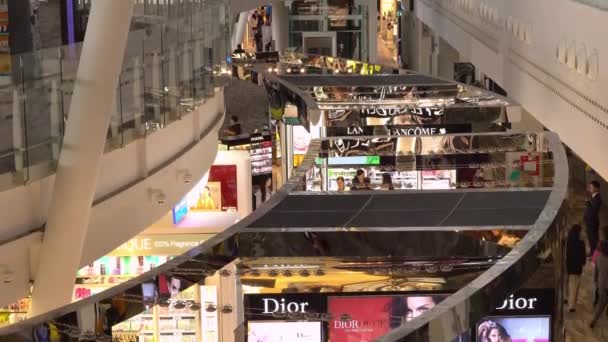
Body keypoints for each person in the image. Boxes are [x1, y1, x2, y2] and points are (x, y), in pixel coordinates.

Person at [566, 224, 586, 312]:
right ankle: (572, 306)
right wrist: (583, 263)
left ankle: (568, 300)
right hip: (577, 268)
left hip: (569, 266)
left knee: (570, 285)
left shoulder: (569, 242)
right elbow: (583, 257)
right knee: (575, 287)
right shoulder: (581, 243)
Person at [591, 240, 608, 328]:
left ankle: (593, 321)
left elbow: (596, 272)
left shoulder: (598, 258)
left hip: (601, 284)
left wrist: (595, 281)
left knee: (601, 304)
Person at [585, 181, 602, 256]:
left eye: (591, 187)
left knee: (594, 239)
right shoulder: (592, 196)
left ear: (596, 188)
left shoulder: (598, 198)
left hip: (593, 222)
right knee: (590, 239)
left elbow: (594, 210)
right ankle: (592, 253)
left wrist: (588, 202)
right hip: (589, 221)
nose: (590, 188)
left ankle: (595, 255)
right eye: (590, 187)